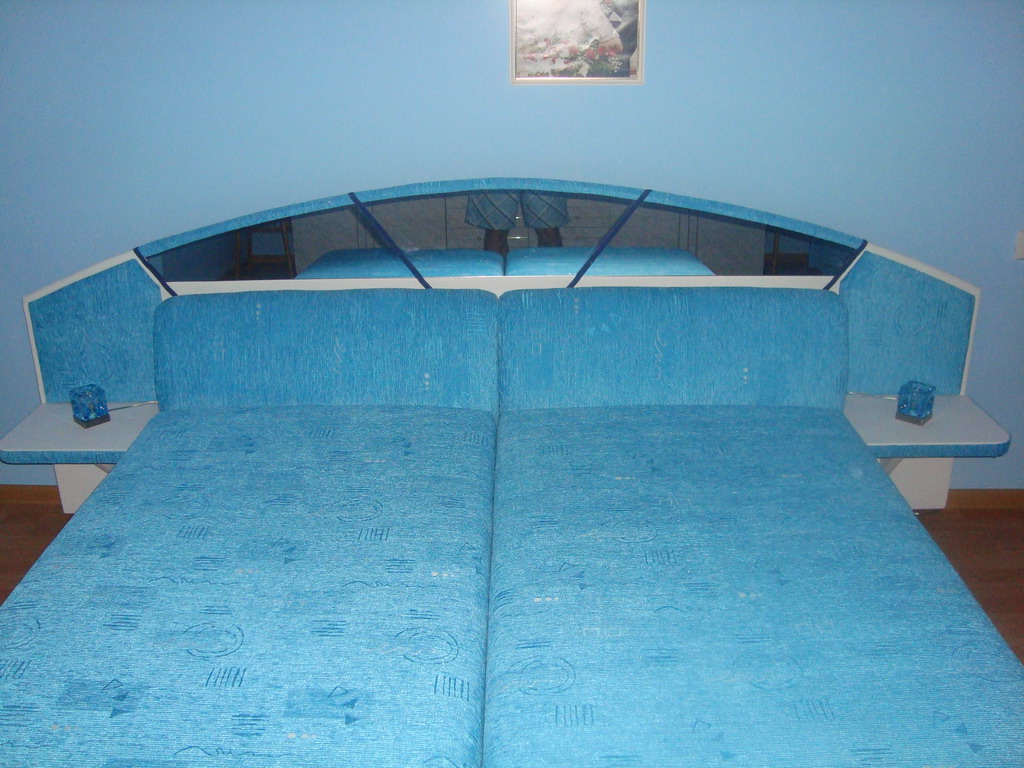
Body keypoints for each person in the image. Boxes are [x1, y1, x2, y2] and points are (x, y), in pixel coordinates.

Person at [465, 191, 569, 256]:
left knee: (549, 232)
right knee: (495, 233)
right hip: (496, 165)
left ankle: (554, 283)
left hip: (541, 165)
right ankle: (495, 283)